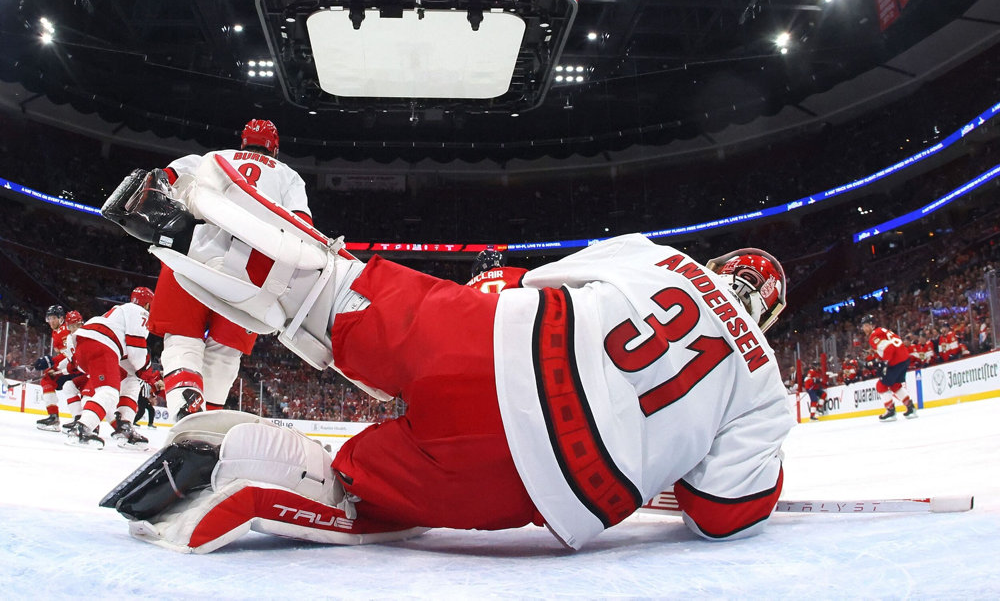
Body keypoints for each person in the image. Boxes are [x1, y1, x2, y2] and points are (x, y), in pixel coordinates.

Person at [99, 158, 793, 553]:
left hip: (501, 342)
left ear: (721, 261)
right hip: (549, 480)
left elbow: (533, 282)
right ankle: (264, 466)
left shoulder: (663, 259)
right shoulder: (766, 389)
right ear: (769, 313)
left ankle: (200, 222)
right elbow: (722, 513)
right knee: (358, 491)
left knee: (329, 290)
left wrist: (482, 292)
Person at [144, 119, 313, 422]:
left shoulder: (215, 158)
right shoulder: (289, 176)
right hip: (251, 273)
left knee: (182, 339)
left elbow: (165, 176)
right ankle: (207, 424)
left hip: (192, 251)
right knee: (224, 352)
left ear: (243, 141)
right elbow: (301, 226)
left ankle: (185, 401)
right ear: (275, 148)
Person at [66, 287, 159, 449]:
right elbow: (136, 353)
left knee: (132, 379)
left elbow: (131, 365)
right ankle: (83, 427)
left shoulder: (119, 311)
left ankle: (124, 426)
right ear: (148, 305)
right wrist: (150, 376)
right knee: (109, 392)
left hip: (87, 345)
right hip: (102, 345)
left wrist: (144, 375)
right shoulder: (139, 311)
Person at [859, 314, 917, 422]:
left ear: (872, 325)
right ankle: (910, 407)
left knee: (881, 385)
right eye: (863, 326)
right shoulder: (882, 330)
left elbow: (889, 348)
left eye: (866, 325)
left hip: (896, 361)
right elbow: (890, 345)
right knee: (895, 385)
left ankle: (890, 410)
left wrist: (883, 362)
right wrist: (876, 355)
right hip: (904, 358)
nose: (864, 328)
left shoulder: (874, 336)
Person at [34, 305, 69, 431]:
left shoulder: (65, 330)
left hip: (77, 366)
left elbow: (69, 355)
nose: (51, 321)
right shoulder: (56, 331)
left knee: (77, 387)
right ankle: (53, 417)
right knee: (47, 379)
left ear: (61, 318)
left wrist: (53, 364)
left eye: (53, 318)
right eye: (49, 318)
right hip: (69, 365)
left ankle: (85, 422)